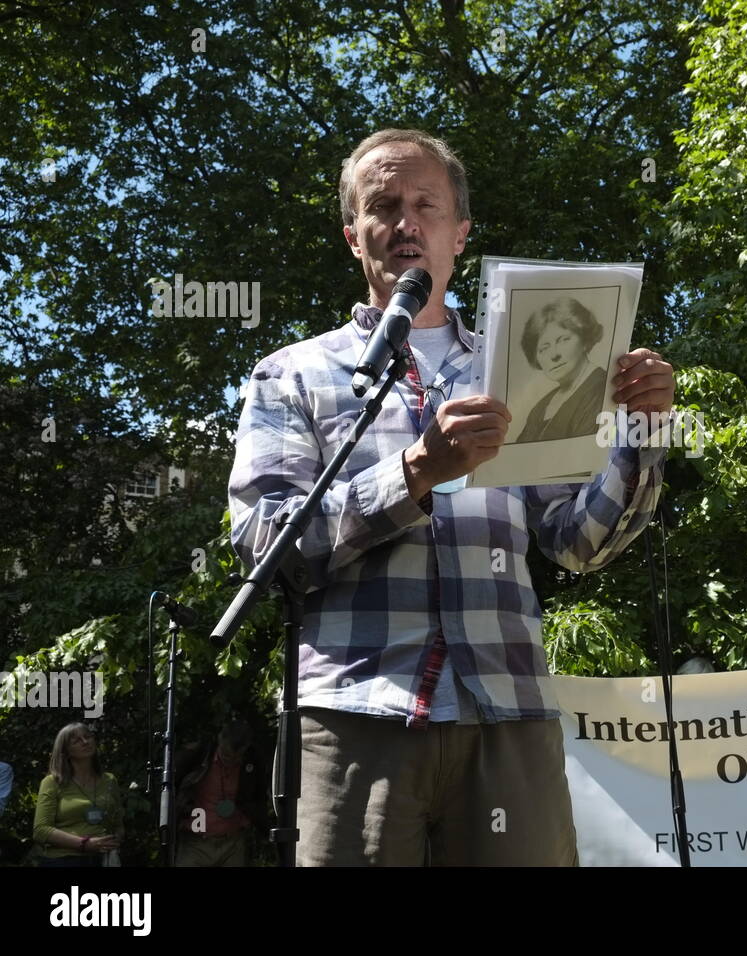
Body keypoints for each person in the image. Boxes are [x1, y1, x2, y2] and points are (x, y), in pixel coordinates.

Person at [228, 128, 674, 866]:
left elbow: (578, 542)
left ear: (459, 234)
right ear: (353, 237)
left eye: (426, 206)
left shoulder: (523, 364)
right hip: (355, 712)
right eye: (384, 206)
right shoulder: (291, 376)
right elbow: (267, 549)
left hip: (508, 708)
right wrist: (414, 472)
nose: (406, 223)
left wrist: (640, 434)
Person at [174, 718, 268, 866]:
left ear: (245, 749)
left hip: (233, 843)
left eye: (236, 758)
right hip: (195, 842)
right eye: (225, 755)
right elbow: (173, 785)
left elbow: (259, 797)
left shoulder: (254, 763)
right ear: (219, 739)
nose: (229, 761)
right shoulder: (197, 755)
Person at [516, 298, 608, 443]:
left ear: (584, 339)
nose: (554, 355)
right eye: (543, 348)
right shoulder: (540, 408)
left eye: (563, 340)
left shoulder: (602, 388)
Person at [32, 723, 122, 867]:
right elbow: (41, 830)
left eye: (87, 737)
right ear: (65, 751)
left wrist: (113, 841)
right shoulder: (52, 782)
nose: (85, 742)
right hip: (63, 860)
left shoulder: (109, 780)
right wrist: (84, 844)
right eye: (77, 740)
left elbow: (118, 824)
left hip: (103, 859)